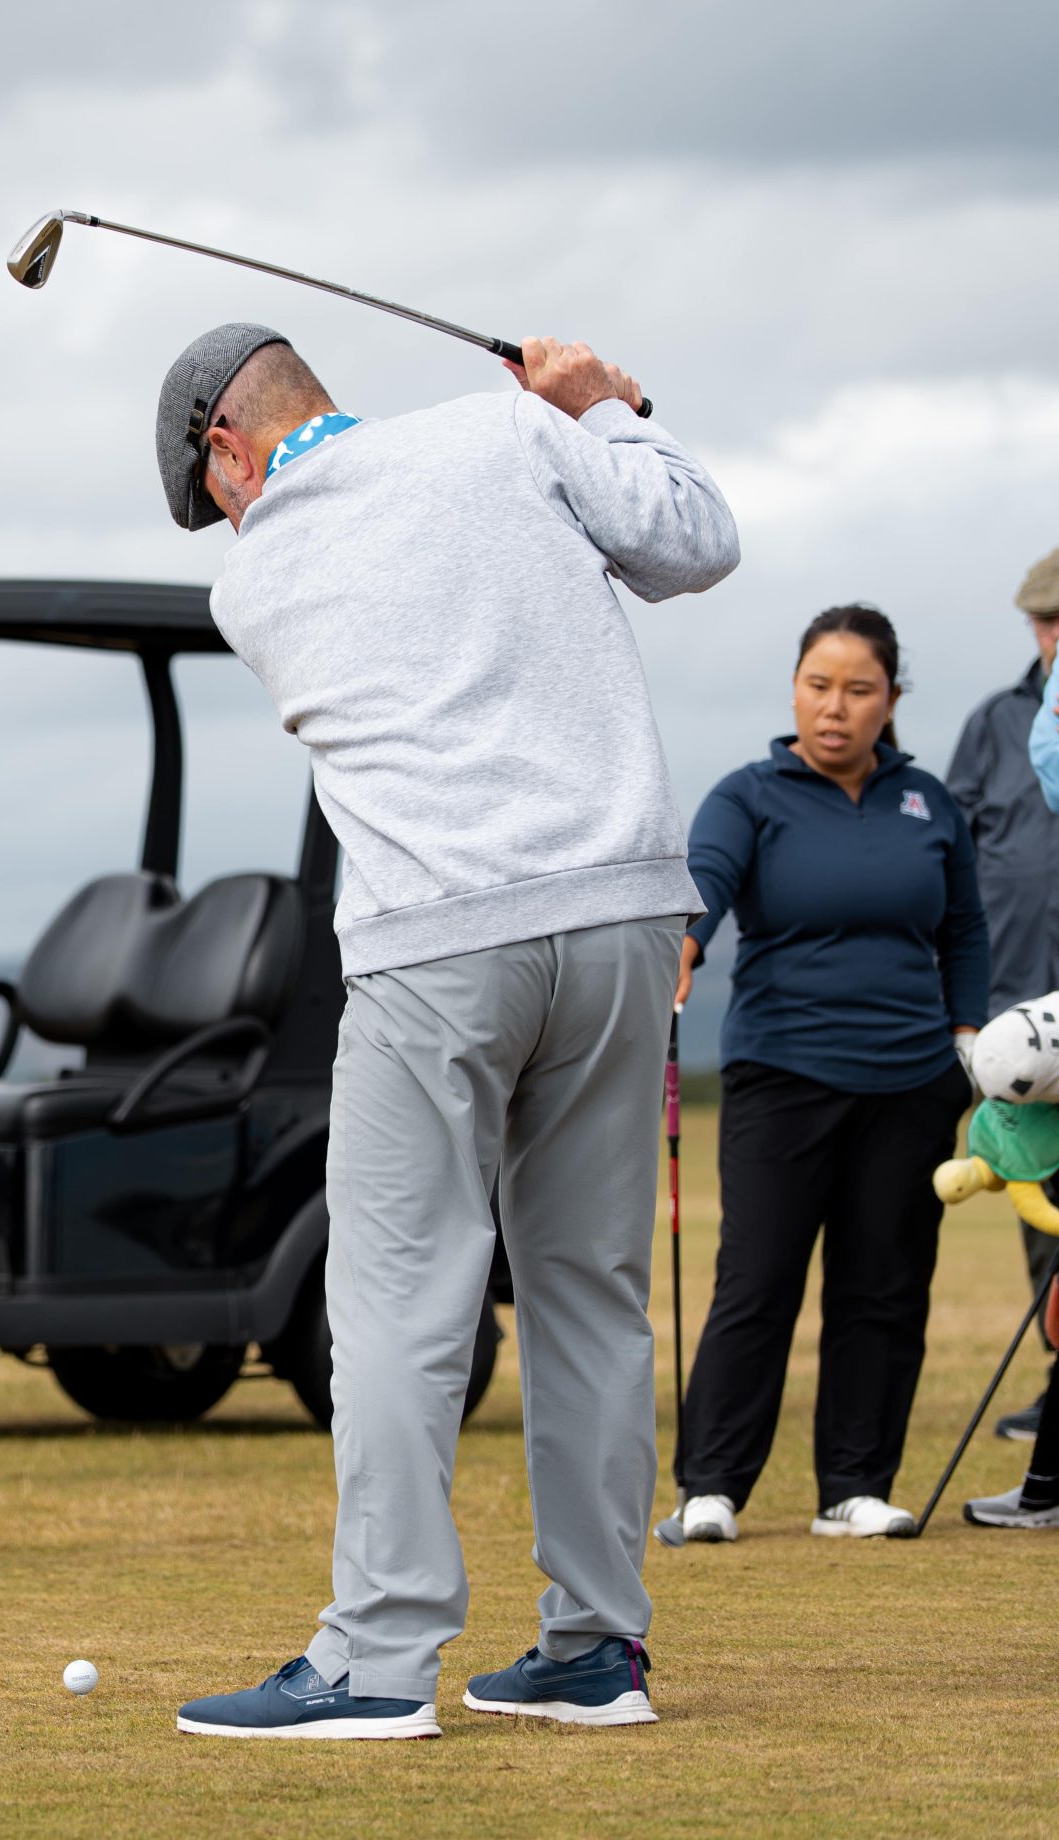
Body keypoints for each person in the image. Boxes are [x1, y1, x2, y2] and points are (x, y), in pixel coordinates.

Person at [160, 325, 738, 1740]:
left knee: (402, 1307)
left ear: (229, 450)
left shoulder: (256, 577)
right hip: (619, 920)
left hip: (436, 943)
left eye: (208, 487)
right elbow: (696, 541)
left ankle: (376, 1656)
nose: (221, 517)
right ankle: (598, 1646)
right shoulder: (507, 436)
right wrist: (607, 404)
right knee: (592, 1297)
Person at [662, 607, 987, 1545]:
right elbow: (706, 880)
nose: (834, 707)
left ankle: (855, 1485)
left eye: (858, 689)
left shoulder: (929, 803)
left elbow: (963, 928)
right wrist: (684, 942)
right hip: (782, 1075)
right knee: (757, 1279)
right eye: (818, 685)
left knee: (884, 1285)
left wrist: (967, 1036)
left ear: (890, 702)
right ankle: (711, 1487)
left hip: (913, 1078)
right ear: (794, 689)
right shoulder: (749, 795)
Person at [948, 542, 1059, 1443]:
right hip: (1022, 1008)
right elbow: (954, 854)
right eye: (1047, 618)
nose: (1057, 633)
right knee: (1036, 1190)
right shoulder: (994, 722)